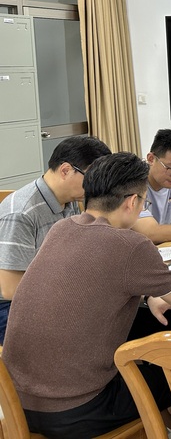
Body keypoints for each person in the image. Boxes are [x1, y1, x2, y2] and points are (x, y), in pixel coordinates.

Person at [2, 152, 171, 439]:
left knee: (156, 325)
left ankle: (168, 426)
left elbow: (93, 285)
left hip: (16, 403)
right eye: (144, 203)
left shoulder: (62, 228)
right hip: (78, 410)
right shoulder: (131, 244)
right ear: (132, 202)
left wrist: (150, 295)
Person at [0, 135, 110, 343]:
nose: (95, 187)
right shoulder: (22, 213)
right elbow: (11, 289)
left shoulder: (68, 200)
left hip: (47, 292)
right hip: (11, 307)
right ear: (66, 170)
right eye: (91, 178)